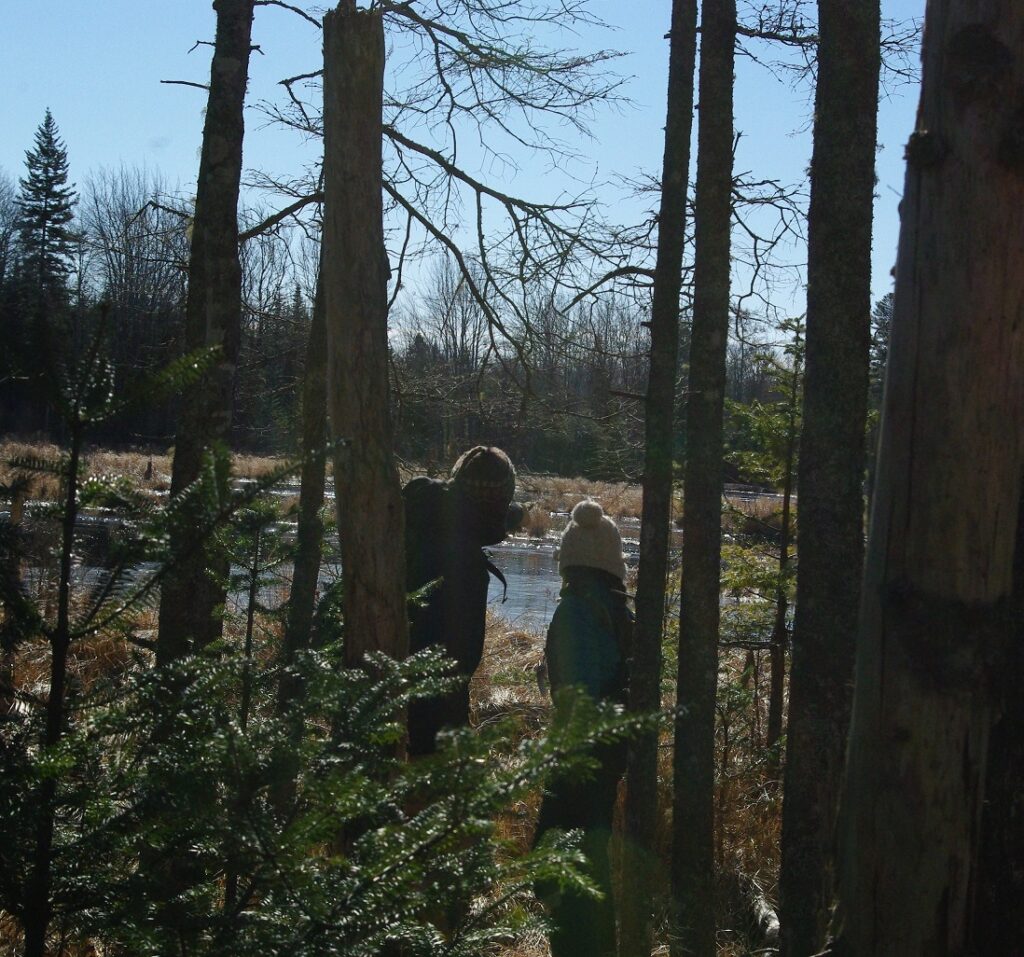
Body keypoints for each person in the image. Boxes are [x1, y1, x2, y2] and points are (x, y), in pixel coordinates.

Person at [534, 498, 633, 957]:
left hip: (580, 761)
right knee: (590, 873)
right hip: (606, 758)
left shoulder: (575, 613)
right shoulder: (617, 613)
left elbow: (579, 705)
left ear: (569, 563)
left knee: (569, 875)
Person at [403, 445, 522, 756]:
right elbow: (457, 661)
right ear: (497, 503)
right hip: (427, 723)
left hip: (386, 700)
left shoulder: (420, 520)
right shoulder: (461, 560)